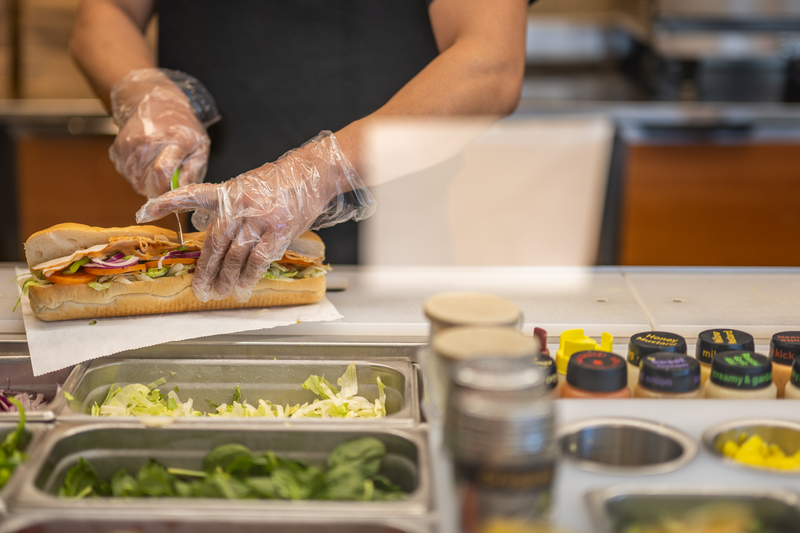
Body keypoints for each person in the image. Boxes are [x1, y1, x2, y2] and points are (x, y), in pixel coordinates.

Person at [70, 0, 530, 302]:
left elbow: (489, 63)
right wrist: (147, 94)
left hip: (394, 250)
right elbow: (105, 13)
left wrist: (324, 170)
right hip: (211, 246)